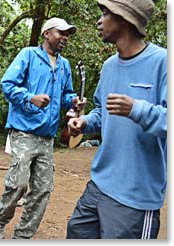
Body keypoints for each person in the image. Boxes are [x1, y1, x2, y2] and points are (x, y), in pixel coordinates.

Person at [66, 0, 166, 239]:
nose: (98, 21)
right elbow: (103, 111)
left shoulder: (163, 62)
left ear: (124, 18)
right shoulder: (109, 66)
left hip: (135, 195)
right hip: (99, 183)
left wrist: (137, 109)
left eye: (104, 13)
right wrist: (85, 122)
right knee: (76, 233)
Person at [0, 17, 86, 239]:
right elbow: (7, 85)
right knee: (18, 184)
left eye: (68, 35)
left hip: (47, 137)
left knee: (43, 191)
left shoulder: (65, 65)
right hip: (24, 132)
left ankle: (22, 236)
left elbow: (65, 95)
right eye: (61, 33)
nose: (65, 38)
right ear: (46, 33)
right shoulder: (28, 55)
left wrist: (73, 101)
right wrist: (30, 98)